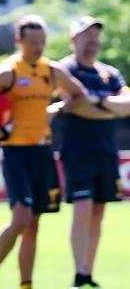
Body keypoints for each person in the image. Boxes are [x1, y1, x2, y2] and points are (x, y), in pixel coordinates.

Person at [0, 14, 87, 289]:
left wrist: (58, 108)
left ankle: (26, 284)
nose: (39, 48)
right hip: (15, 153)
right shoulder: (9, 72)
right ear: (19, 41)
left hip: (42, 152)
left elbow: (80, 94)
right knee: (20, 217)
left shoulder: (51, 71)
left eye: (42, 42)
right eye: (33, 43)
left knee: (33, 223)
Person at [57, 16, 128, 289]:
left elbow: (127, 105)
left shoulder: (109, 73)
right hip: (77, 151)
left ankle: (88, 272)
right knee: (83, 208)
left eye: (95, 36)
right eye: (86, 36)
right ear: (74, 39)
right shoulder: (66, 69)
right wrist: (108, 107)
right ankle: (77, 273)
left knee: (99, 212)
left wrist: (97, 100)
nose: (92, 42)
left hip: (106, 151)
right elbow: (75, 105)